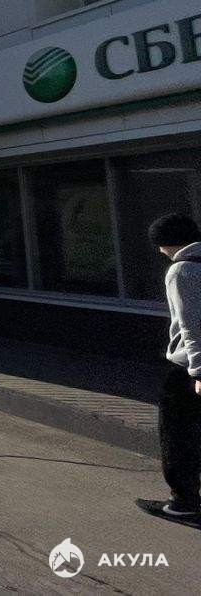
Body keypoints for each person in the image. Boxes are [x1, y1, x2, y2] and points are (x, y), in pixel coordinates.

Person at [139, 213, 201, 524]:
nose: (159, 251)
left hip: (187, 368)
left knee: (177, 433)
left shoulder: (181, 270)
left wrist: (198, 371)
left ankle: (183, 502)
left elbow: (191, 325)